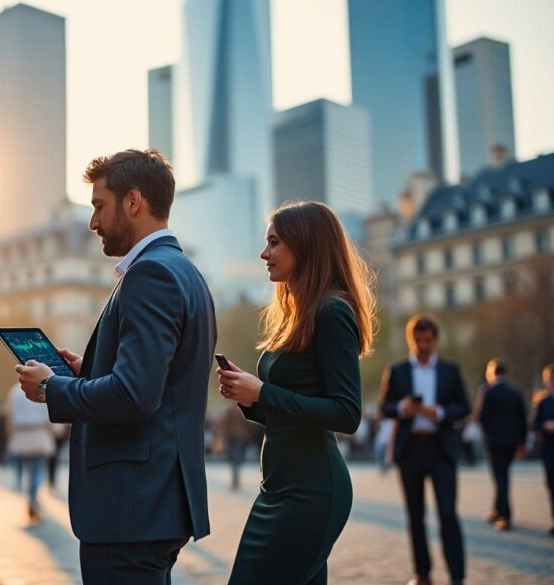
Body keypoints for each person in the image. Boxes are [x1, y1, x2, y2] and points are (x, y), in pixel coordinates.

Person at [15, 149, 215, 584]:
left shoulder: (149, 275)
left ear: (133, 201)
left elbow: (133, 395)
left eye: (99, 206)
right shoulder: (185, 272)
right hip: (154, 502)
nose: (93, 222)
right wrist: (89, 371)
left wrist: (51, 388)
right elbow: (161, 382)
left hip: (131, 505)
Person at [217, 201, 373, 585]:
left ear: (305, 245)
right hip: (278, 488)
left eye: (274, 242)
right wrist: (250, 399)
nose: (264, 253)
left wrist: (263, 393)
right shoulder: (298, 315)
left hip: (311, 493)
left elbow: (346, 413)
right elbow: (289, 409)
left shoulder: (331, 312)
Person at [379, 315, 470, 585]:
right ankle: (422, 574)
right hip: (410, 450)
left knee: (448, 514)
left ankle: (457, 576)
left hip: (441, 449)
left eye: (427, 340)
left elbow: (464, 407)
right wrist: (402, 408)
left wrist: (439, 412)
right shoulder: (397, 370)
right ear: (411, 339)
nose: (422, 345)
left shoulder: (450, 370)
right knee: (415, 515)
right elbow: (384, 407)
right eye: (417, 340)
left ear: (435, 339)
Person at [477, 359, 527, 531]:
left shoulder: (487, 392)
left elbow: (481, 417)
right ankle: (497, 510)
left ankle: (505, 515)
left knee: (500, 478)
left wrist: (487, 435)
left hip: (494, 442)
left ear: (491, 373)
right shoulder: (516, 393)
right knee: (503, 475)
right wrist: (522, 443)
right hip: (512, 442)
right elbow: (522, 420)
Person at [6, 382, 55, 523]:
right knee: (37, 471)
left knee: (26, 470)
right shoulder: (40, 389)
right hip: (38, 435)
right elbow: (48, 415)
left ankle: (30, 497)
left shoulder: (14, 392)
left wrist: (9, 436)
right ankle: (33, 499)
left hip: (21, 435)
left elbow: (10, 416)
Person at [533, 363, 554, 536]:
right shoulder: (543, 402)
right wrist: (545, 425)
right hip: (549, 449)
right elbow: (534, 424)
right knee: (552, 484)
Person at [220, 405, 252, 491]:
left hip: (231, 435)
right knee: (237, 456)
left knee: (233, 457)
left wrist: (223, 435)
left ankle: (235, 478)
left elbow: (224, 423)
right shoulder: (243, 409)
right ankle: (236, 478)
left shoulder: (229, 409)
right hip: (241, 436)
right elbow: (249, 423)